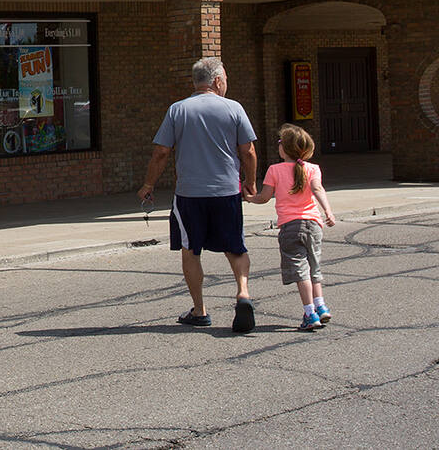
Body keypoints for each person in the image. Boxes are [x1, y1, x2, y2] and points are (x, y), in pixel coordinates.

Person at [137, 56, 259, 333]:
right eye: (225, 79)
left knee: (191, 250)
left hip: (190, 194)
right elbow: (248, 151)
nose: (226, 83)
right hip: (227, 191)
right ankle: (243, 293)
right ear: (217, 81)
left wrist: (148, 184)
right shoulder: (234, 108)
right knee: (235, 246)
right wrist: (250, 182)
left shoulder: (178, 110)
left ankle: (200, 309)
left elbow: (161, 152)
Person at [247, 124, 336, 331]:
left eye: (280, 143)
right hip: (313, 224)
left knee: (300, 270)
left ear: (284, 148)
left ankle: (309, 312)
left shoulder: (274, 170)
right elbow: (317, 189)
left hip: (290, 226)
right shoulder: (313, 169)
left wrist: (250, 198)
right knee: (314, 266)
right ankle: (320, 305)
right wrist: (328, 212)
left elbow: (264, 197)